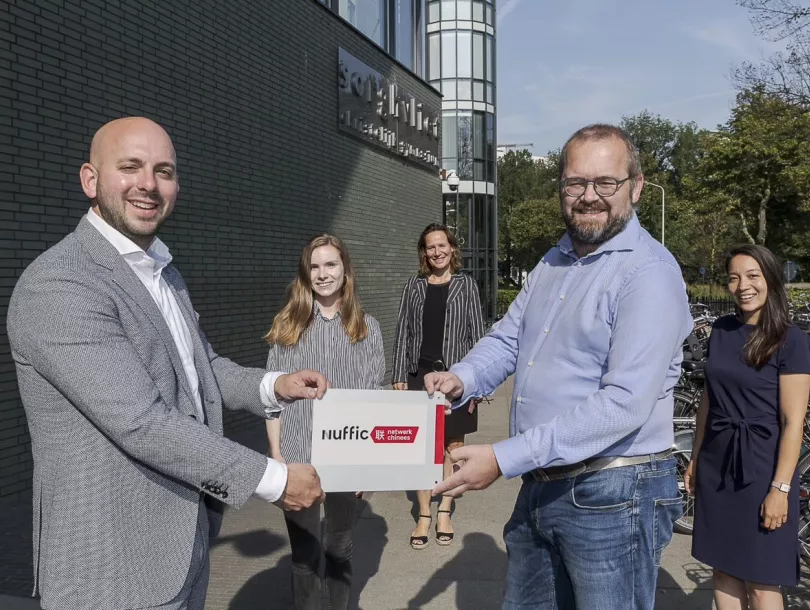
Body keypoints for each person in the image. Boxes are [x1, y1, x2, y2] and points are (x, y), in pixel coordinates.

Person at [6, 117, 327, 610]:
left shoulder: (162, 271)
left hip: (182, 546)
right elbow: (141, 421)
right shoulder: (61, 284)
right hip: (110, 571)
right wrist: (276, 482)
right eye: (130, 167)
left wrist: (274, 385)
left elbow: (201, 369)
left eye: (164, 171)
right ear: (90, 179)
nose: (149, 185)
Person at [424, 124, 693, 609]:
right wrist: (462, 377)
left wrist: (505, 457)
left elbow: (623, 405)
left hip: (613, 493)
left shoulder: (648, 272)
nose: (589, 196)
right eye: (575, 183)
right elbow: (509, 338)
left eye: (605, 182)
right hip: (544, 483)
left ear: (635, 186)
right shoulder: (555, 259)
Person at [264, 233, 385, 610]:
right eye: (314, 267)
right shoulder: (289, 325)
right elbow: (272, 398)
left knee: (339, 548)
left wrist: (369, 464)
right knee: (304, 556)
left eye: (330, 264)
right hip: (298, 455)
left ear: (345, 270)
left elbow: (373, 399)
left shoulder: (367, 329)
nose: (322, 274)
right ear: (306, 274)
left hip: (347, 457)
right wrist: (276, 456)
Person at [685, 244, 810, 610]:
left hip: (764, 468)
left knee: (761, 582)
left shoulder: (791, 340)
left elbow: (793, 422)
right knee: (723, 570)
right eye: (734, 278)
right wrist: (696, 457)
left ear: (770, 278)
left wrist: (780, 489)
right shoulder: (721, 330)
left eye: (753, 276)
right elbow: (709, 400)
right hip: (717, 463)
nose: (743, 286)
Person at [392, 223, 485, 549]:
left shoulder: (467, 286)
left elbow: (477, 336)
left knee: (452, 447)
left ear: (452, 248)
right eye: (430, 247)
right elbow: (403, 330)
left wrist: (477, 384)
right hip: (420, 378)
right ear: (424, 252)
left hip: (457, 378)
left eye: (442, 245)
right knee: (422, 449)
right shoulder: (414, 286)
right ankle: (423, 514)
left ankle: (444, 509)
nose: (437, 252)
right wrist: (399, 374)